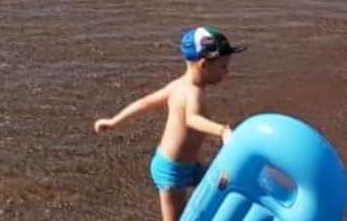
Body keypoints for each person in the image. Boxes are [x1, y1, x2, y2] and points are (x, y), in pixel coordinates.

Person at [94, 28, 242, 221]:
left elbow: (145, 103)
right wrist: (221, 131)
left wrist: (114, 121)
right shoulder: (193, 92)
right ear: (204, 64)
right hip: (172, 172)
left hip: (189, 165)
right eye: (223, 66)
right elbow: (192, 119)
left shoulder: (178, 85)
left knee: (219, 184)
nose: (227, 72)